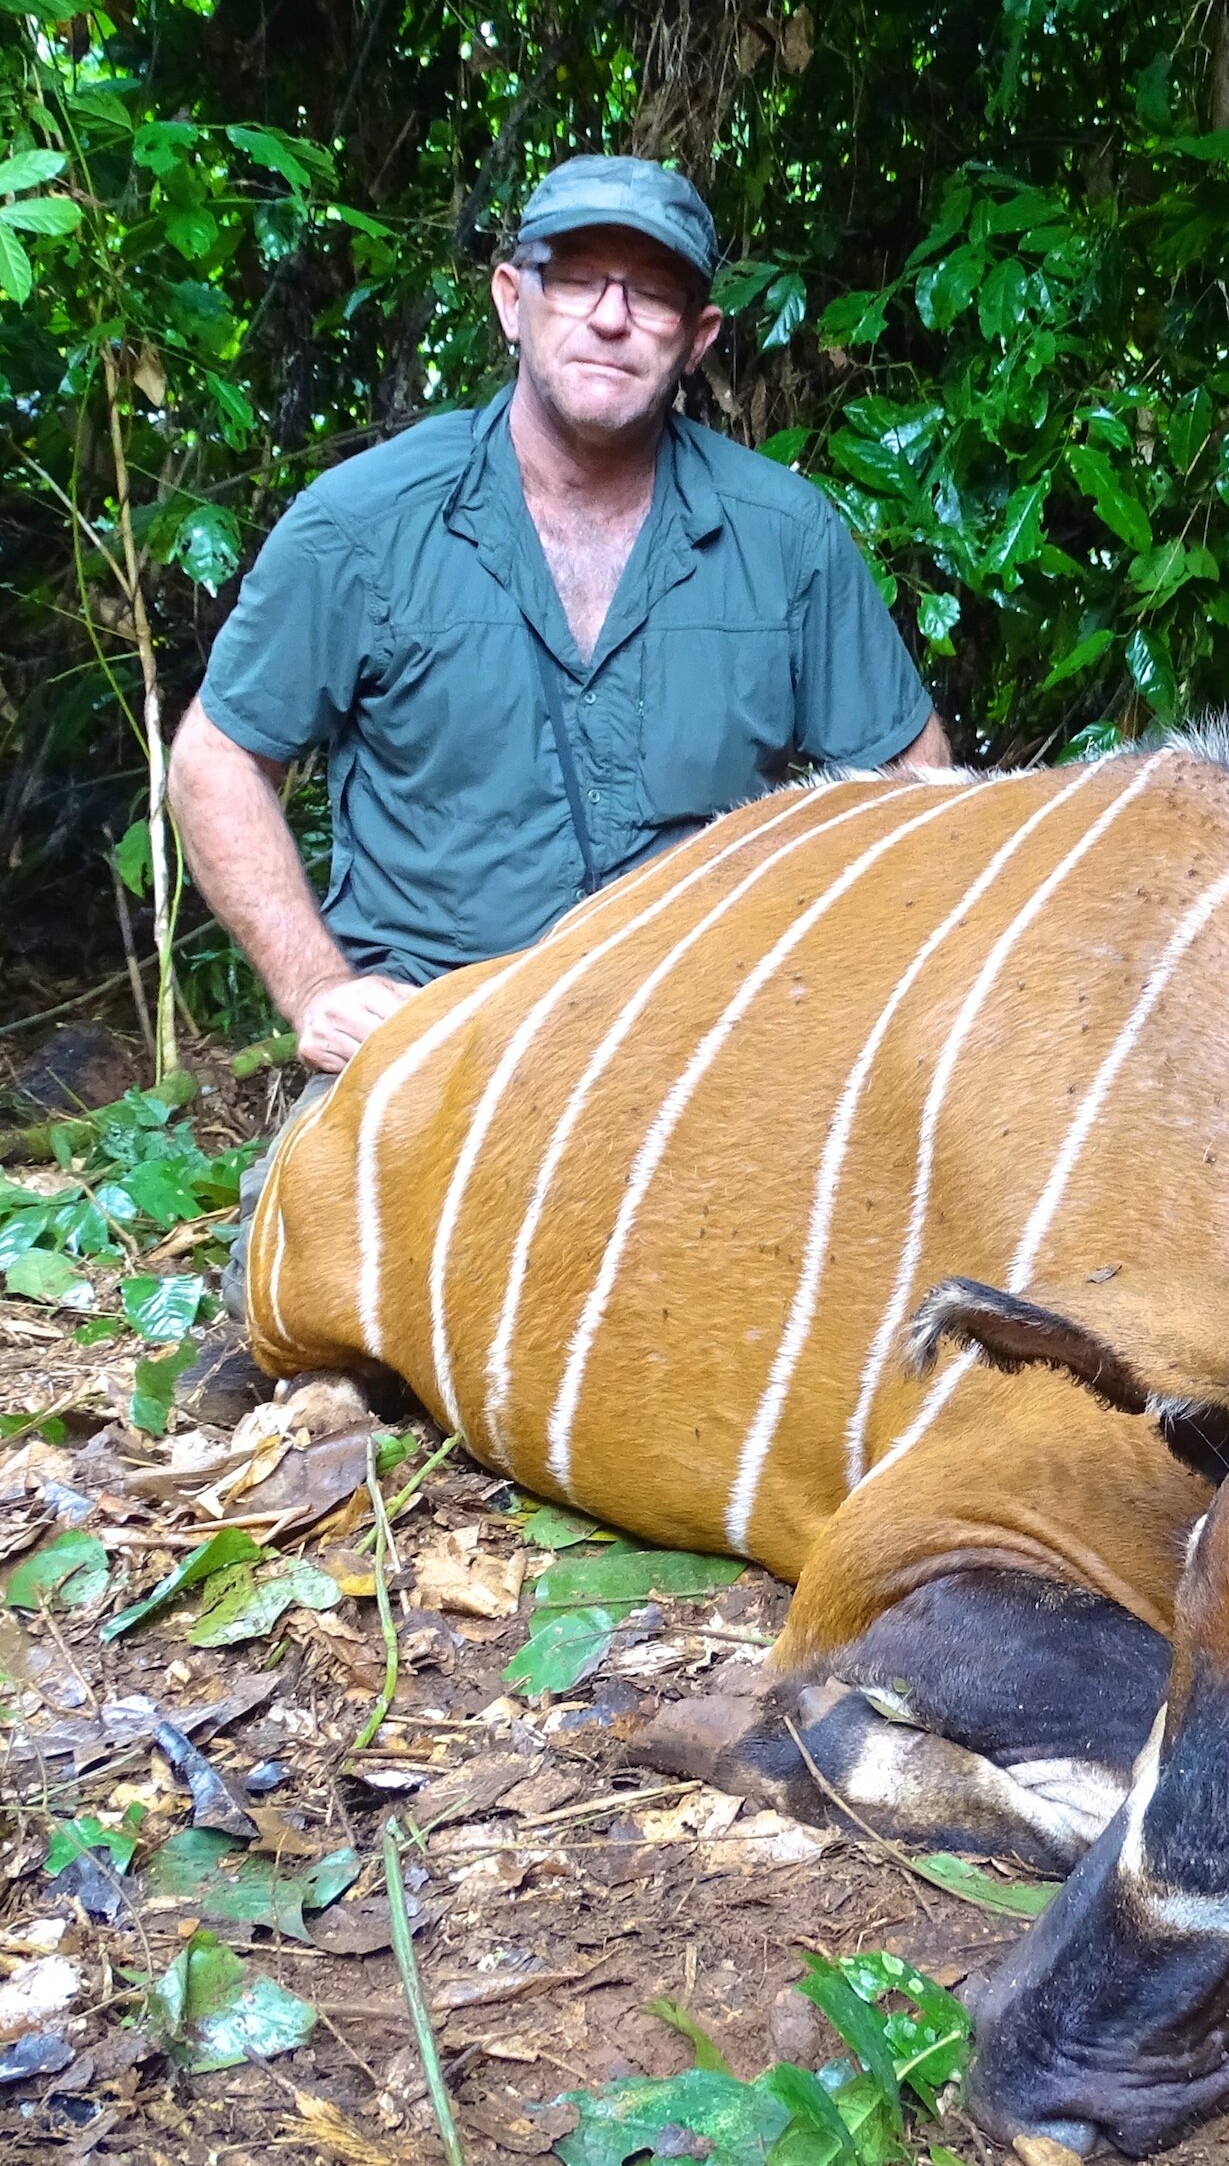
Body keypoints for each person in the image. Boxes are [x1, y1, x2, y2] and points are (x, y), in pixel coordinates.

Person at [169, 155, 949, 1405]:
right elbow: (217, 756)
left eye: (650, 294)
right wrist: (315, 988)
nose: (609, 314)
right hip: (431, 1048)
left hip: (696, 1067)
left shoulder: (787, 538)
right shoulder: (363, 522)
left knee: (807, 1375)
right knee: (286, 1366)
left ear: (696, 338)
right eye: (580, 277)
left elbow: (916, 794)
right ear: (509, 300)